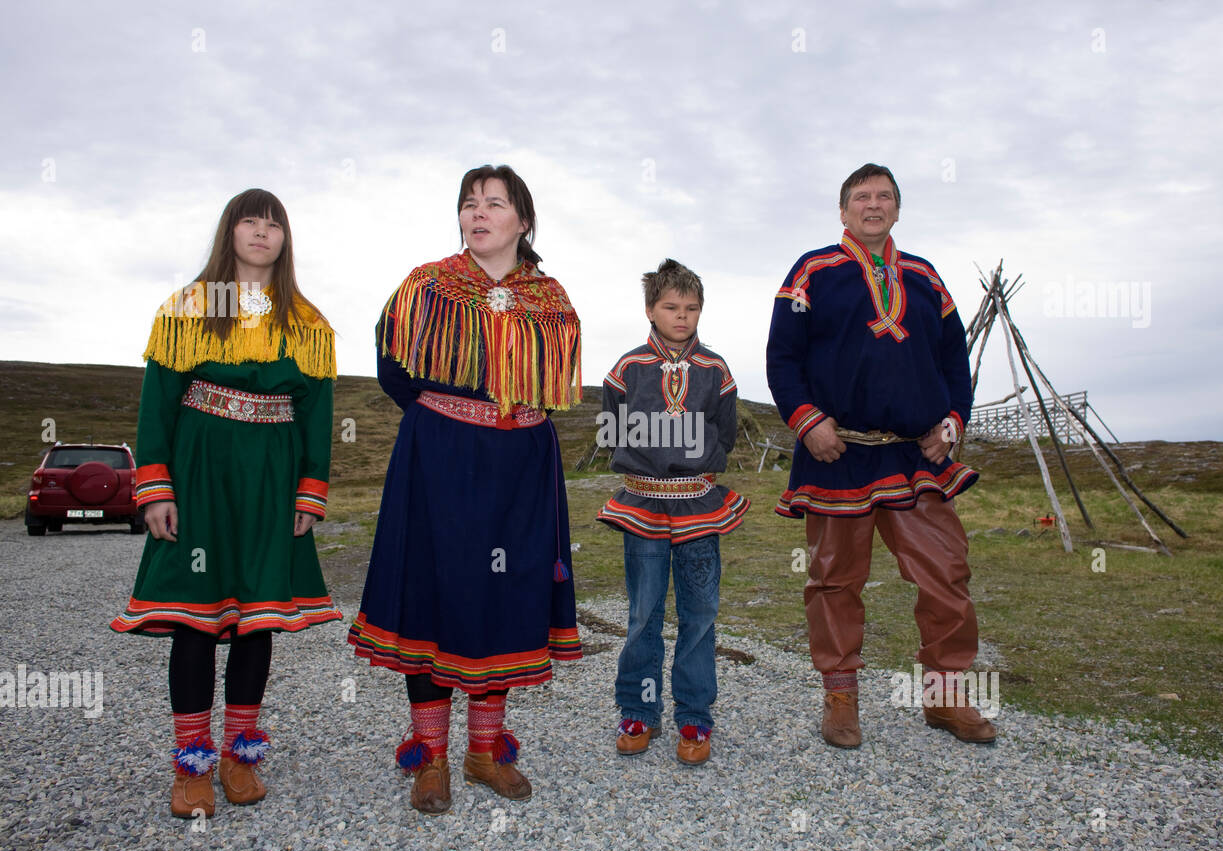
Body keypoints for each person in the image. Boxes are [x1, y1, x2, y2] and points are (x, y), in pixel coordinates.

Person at [348, 165, 582, 814]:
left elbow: (552, 390)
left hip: (523, 467)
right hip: (441, 458)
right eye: (469, 204)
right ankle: (431, 757)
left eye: (495, 203)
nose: (478, 213)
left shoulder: (551, 300)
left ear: (523, 221)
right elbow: (392, 367)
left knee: (503, 595)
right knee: (434, 593)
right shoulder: (425, 286)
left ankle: (484, 750)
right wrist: (444, 418)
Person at [111, 188, 341, 818]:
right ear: (229, 230)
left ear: (285, 238)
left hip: (271, 475)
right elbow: (157, 403)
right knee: (194, 616)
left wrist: (309, 489)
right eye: (250, 220)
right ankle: (191, 765)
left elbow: (316, 414)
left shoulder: (307, 322)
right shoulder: (187, 308)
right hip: (200, 470)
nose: (262, 232)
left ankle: (240, 755)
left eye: (274, 224)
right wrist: (155, 487)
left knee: (256, 618)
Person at [765, 162, 996, 747]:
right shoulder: (812, 272)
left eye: (884, 196)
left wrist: (952, 421)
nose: (873, 205)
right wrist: (806, 421)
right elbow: (782, 358)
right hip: (837, 452)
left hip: (915, 456)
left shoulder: (924, 277)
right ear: (843, 211)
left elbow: (954, 360)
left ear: (897, 208)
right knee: (835, 581)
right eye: (861, 197)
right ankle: (841, 697)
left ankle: (945, 697)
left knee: (946, 571)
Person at [596, 259, 749, 766]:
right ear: (650, 310)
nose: (682, 317)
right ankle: (638, 709)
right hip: (642, 502)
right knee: (643, 613)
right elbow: (612, 428)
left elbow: (723, 433)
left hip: (699, 504)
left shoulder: (716, 370)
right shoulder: (627, 369)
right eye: (671, 307)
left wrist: (693, 466)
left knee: (700, 613)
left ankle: (695, 716)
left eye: (691, 308)